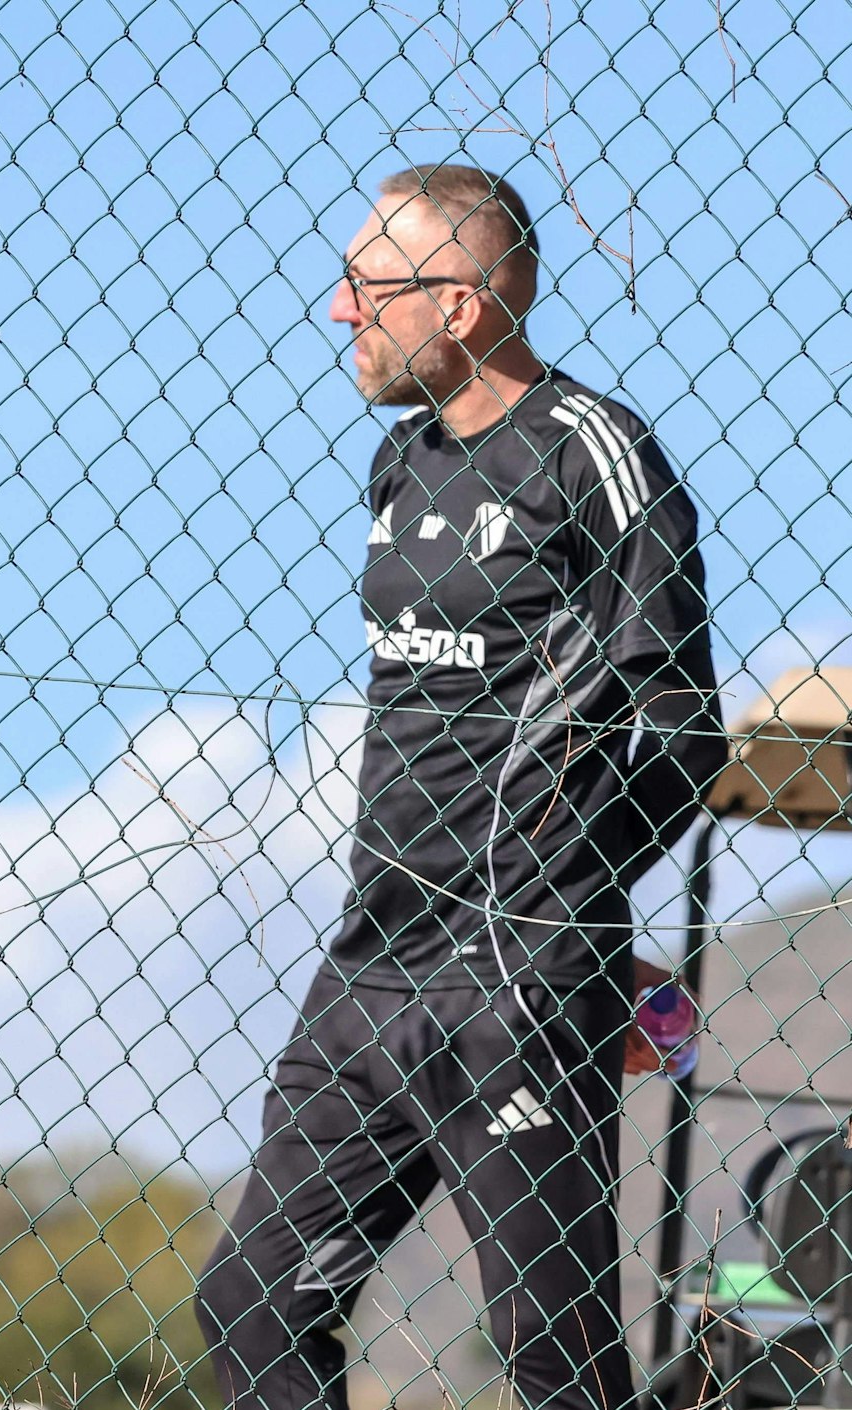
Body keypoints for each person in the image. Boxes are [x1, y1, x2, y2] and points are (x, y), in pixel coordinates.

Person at [192, 164, 723, 1410]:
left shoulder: (595, 452)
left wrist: (562, 905)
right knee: (250, 1303)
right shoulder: (400, 463)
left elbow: (684, 736)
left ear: (466, 300)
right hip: (368, 967)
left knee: (551, 1353)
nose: (337, 312)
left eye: (368, 287)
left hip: (514, 981)